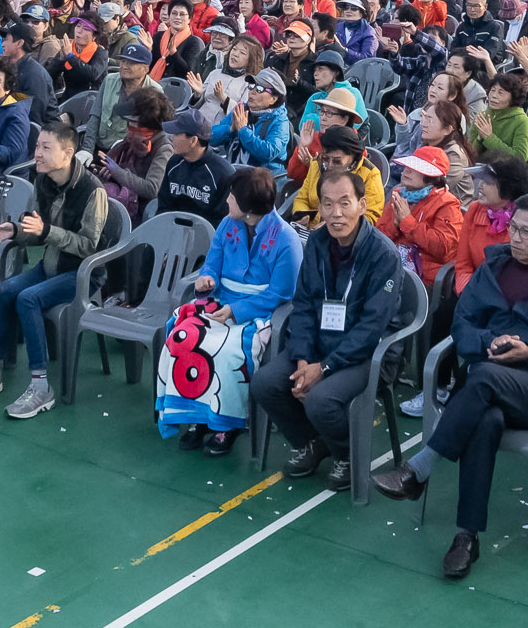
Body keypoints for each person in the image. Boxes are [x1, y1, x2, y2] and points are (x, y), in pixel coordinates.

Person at [373, 192, 528, 581]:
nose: (517, 237)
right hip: (484, 385)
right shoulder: (491, 270)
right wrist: (486, 343)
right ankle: (466, 537)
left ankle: (420, 468)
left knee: (482, 378)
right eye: (514, 228)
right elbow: (461, 325)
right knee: (486, 419)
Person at [252, 164, 406, 492]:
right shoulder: (318, 243)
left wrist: (324, 368)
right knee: (265, 382)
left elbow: (371, 328)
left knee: (320, 400)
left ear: (362, 205)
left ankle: (348, 455)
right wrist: (305, 360)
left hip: (370, 353)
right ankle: (313, 442)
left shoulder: (383, 254)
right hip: (321, 344)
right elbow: (305, 306)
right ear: (319, 206)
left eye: (344, 203)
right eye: (327, 204)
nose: (336, 213)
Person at [0, 115, 111, 421]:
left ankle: (41, 387)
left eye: (45, 147)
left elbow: (89, 247)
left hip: (82, 275)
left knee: (28, 298)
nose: (37, 153)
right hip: (51, 265)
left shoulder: (92, 191)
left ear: (67, 154)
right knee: (5, 291)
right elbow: (36, 227)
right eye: (37, 145)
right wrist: (17, 231)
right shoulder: (42, 180)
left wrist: (45, 233)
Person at [159, 168, 302, 457]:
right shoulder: (227, 225)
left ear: (248, 208)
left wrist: (236, 311)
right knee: (182, 336)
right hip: (219, 302)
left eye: (232, 197)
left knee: (227, 352)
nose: (226, 201)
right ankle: (199, 418)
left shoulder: (287, 239)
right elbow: (212, 264)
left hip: (259, 312)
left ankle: (228, 424)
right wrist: (206, 279)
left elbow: (281, 294)